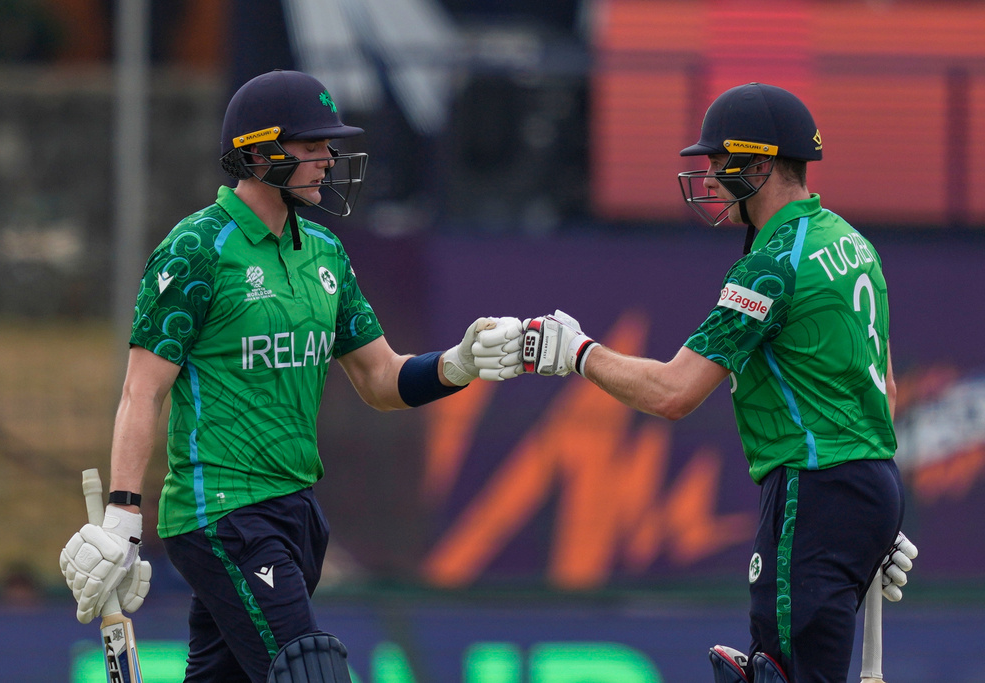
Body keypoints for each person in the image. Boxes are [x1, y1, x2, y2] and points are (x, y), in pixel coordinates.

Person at [59, 69, 523, 683]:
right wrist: (123, 518)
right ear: (258, 153)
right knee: (310, 670)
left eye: (329, 145)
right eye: (311, 145)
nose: (328, 159)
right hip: (221, 511)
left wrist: (457, 364)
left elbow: (381, 379)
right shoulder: (197, 248)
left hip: (296, 510)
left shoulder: (325, 253)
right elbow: (142, 392)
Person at [494, 83, 918, 683]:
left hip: (812, 490)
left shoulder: (771, 266)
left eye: (720, 161)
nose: (711, 177)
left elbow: (674, 392)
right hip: (867, 484)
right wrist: (872, 518)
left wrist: (577, 353)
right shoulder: (853, 243)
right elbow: (886, 390)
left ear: (760, 163)